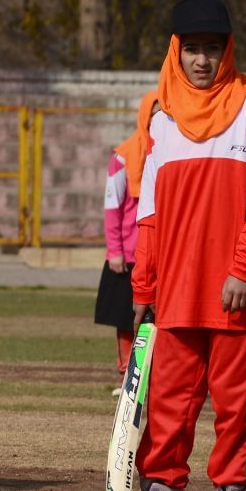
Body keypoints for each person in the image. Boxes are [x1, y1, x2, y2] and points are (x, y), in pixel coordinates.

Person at [104, 0, 246, 491]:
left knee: (238, 404)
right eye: (192, 50)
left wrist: (244, 271)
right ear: (176, 52)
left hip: (240, 293)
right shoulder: (160, 121)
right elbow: (151, 212)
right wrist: (144, 284)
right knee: (168, 400)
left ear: (227, 51)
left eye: (213, 49)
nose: (203, 61)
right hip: (177, 291)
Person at [94, 91, 155, 394]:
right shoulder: (122, 157)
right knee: (126, 319)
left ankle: (158, 378)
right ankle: (127, 376)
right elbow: (112, 207)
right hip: (130, 254)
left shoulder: (175, 153)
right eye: (154, 114)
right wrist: (115, 251)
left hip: (162, 254)